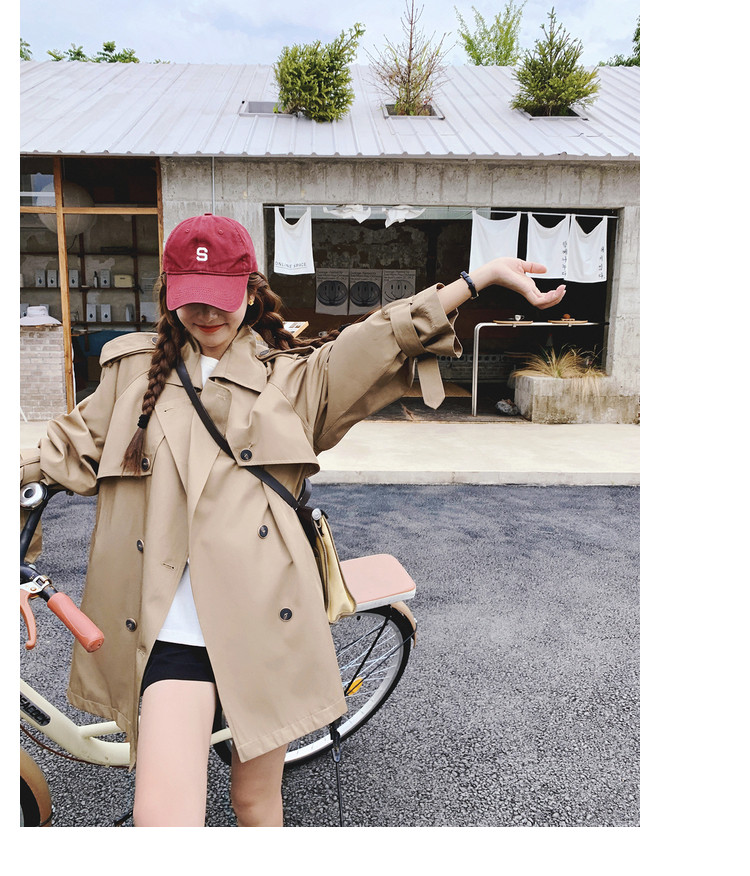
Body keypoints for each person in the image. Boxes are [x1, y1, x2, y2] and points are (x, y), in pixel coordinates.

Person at [20, 213, 565, 827]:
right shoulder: (132, 374)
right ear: (168, 294)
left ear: (252, 292)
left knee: (255, 801)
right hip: (172, 628)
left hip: (263, 623)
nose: (206, 312)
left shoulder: (293, 379)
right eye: (191, 297)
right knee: (163, 820)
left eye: (221, 296)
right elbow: (56, 454)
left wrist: (478, 279)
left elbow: (382, 336)